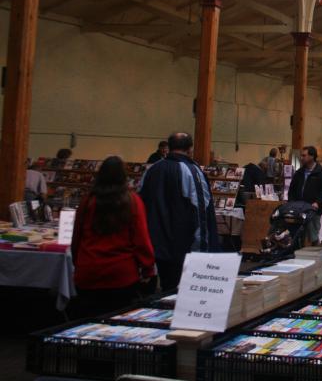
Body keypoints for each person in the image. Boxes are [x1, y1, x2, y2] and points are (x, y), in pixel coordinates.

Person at [72, 156, 156, 318]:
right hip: (121, 273)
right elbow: (141, 239)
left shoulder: (88, 201)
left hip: (88, 270)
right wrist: (148, 268)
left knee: (86, 321)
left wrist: (78, 262)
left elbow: (77, 236)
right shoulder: (132, 201)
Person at [139, 132, 218, 291]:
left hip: (155, 245)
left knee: (165, 289)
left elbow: (141, 203)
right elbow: (200, 212)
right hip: (181, 247)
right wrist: (202, 252)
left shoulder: (152, 170)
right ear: (190, 149)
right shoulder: (191, 171)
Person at [287, 146, 322, 245]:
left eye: (304, 155)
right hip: (299, 209)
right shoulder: (299, 172)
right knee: (298, 235)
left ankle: (316, 255)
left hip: (313, 210)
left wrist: (317, 203)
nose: (301, 158)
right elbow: (292, 190)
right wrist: (291, 203)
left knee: (313, 236)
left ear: (312, 156)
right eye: (301, 156)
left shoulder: (321, 172)